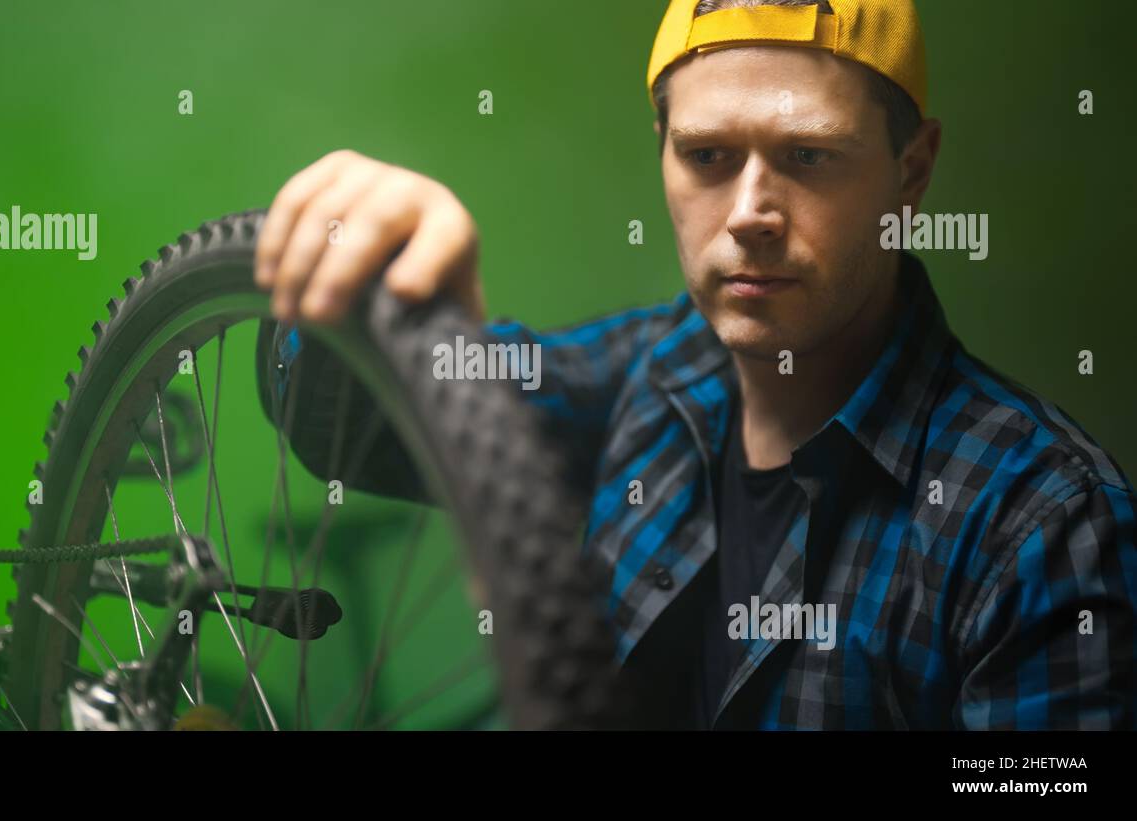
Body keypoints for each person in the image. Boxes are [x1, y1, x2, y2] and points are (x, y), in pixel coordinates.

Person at [250, 0, 1137, 729]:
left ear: (911, 173)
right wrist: (382, 298)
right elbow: (343, 420)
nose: (750, 211)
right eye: (707, 156)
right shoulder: (649, 374)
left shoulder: (1043, 524)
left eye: (808, 156)